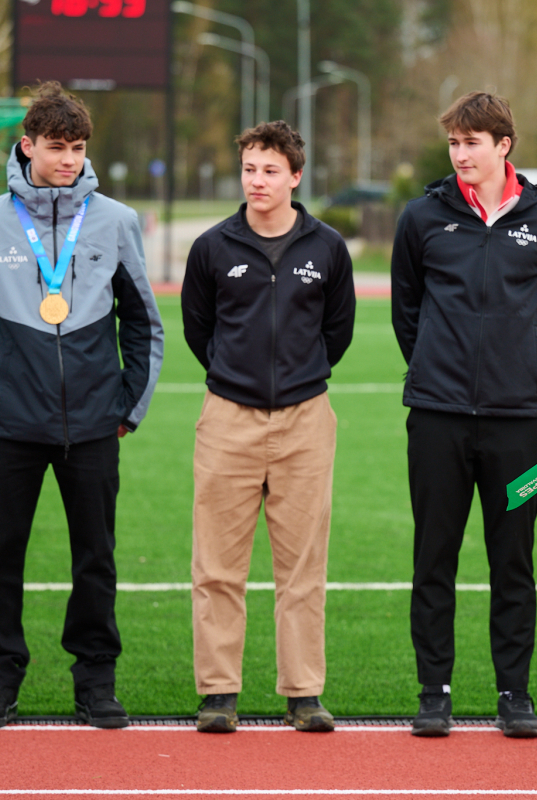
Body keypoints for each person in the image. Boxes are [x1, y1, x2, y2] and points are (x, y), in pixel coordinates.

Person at [0, 82, 165, 730]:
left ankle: (96, 682)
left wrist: (129, 405)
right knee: (0, 554)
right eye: (57, 147)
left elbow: (144, 322)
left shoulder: (117, 221)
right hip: (10, 424)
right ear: (28, 145)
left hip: (94, 423)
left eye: (78, 147)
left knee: (96, 557)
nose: (69, 159)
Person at [390, 92, 537, 738]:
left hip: (518, 423)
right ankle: (434, 692)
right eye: (454, 143)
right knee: (433, 557)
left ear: (505, 145)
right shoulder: (421, 218)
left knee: (513, 561)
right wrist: (436, 374)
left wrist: (522, 378)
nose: (460, 153)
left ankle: (514, 694)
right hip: (437, 418)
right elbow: (406, 312)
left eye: (472, 141)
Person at [182, 120, 355, 734]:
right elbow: (198, 331)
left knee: (302, 567)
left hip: (307, 420)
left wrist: (296, 381)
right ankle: (218, 694)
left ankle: (303, 693)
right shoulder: (212, 247)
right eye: (251, 169)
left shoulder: (328, 248)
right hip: (228, 418)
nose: (258, 181)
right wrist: (240, 382)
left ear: (295, 177)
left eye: (271, 171)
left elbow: (338, 333)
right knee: (217, 566)